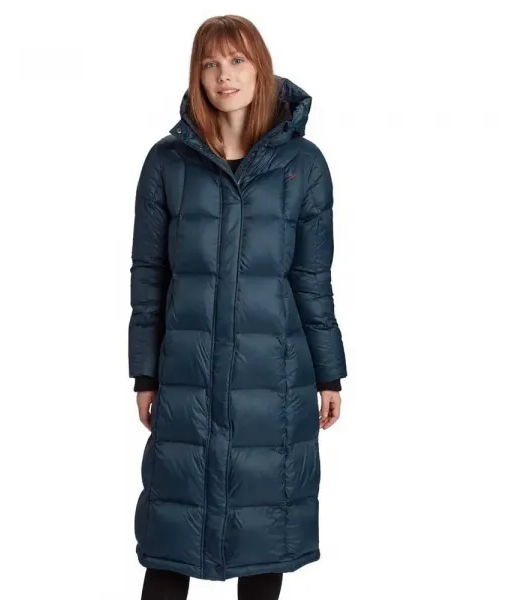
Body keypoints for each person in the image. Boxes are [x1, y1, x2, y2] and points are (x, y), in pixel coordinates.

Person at [128, 14, 347, 600]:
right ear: (197, 75)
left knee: (263, 529)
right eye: (210, 64)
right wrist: (144, 374)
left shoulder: (303, 166)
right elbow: (150, 276)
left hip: (275, 378)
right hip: (186, 376)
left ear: (260, 69)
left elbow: (313, 278)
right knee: (172, 530)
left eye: (237, 60)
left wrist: (329, 374)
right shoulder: (167, 163)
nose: (224, 75)